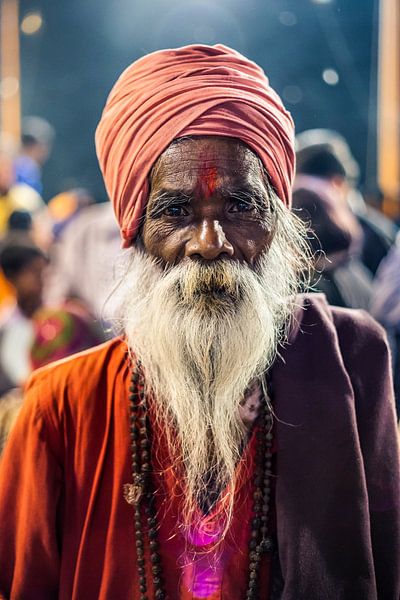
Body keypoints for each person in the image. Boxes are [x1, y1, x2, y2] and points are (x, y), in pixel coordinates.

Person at [0, 45, 398, 600]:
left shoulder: (350, 364)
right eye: (175, 212)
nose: (210, 245)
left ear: (280, 227)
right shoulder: (59, 407)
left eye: (240, 207)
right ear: (134, 231)